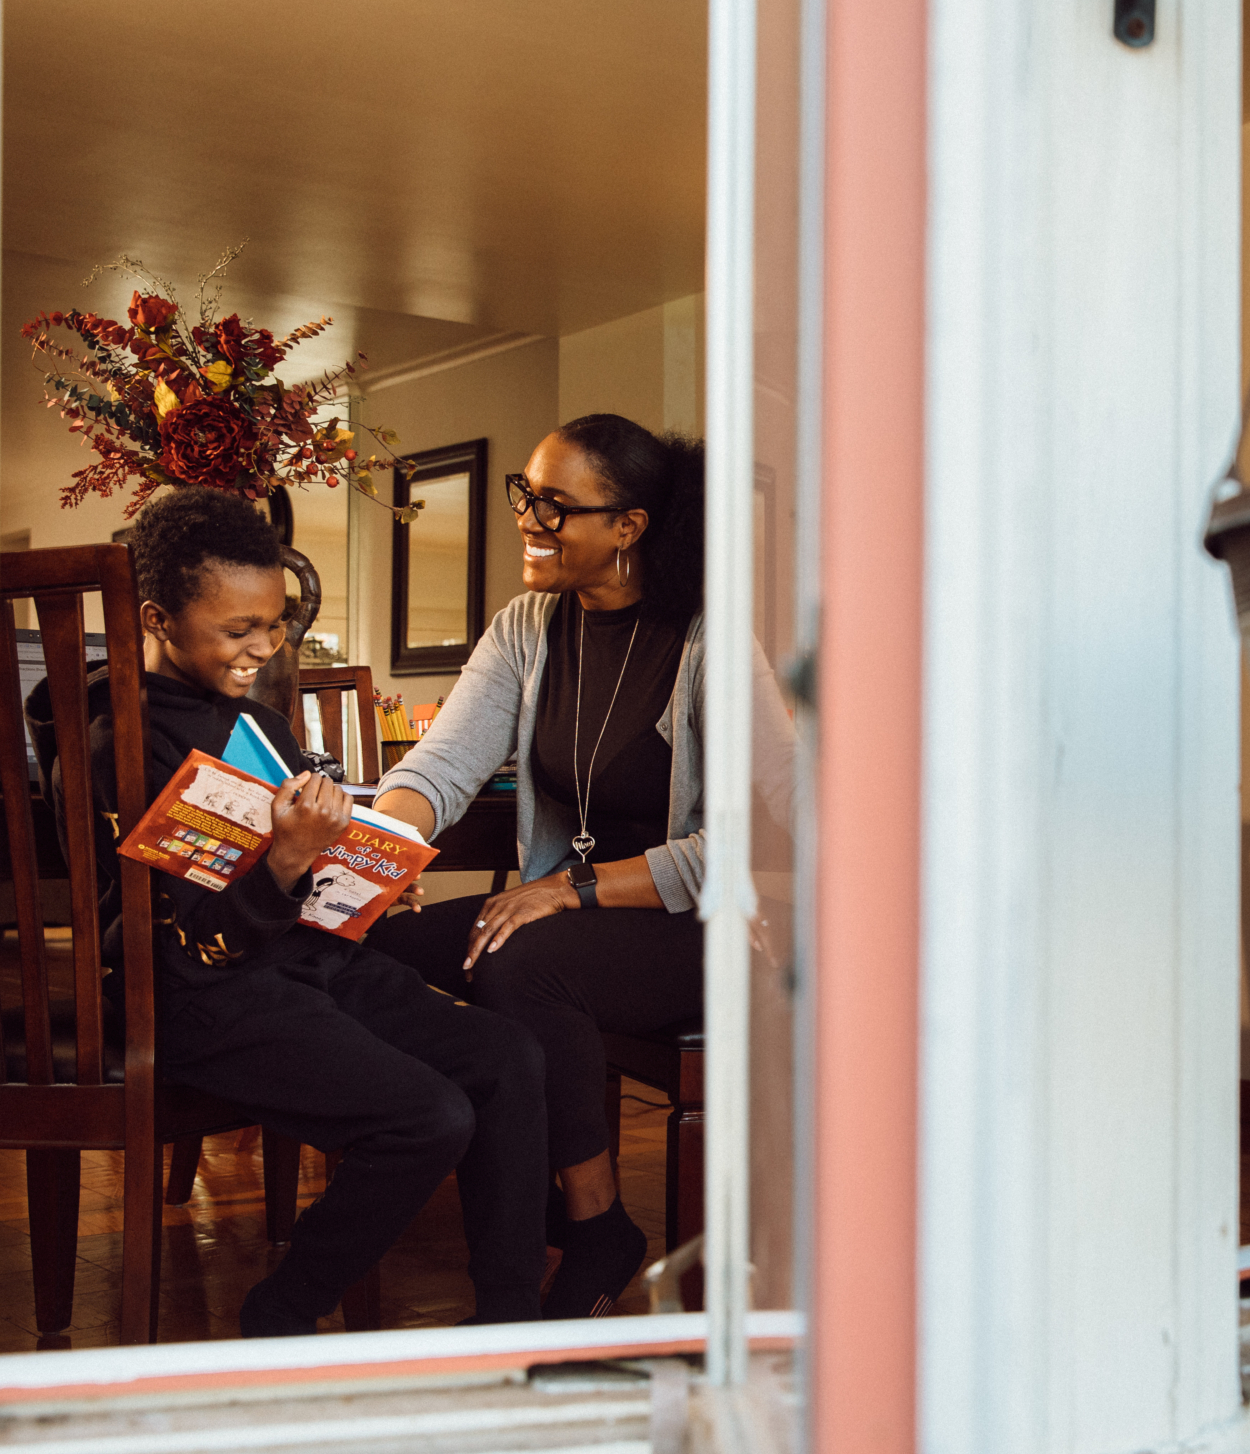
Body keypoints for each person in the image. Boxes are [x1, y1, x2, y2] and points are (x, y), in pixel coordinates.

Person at [62, 487, 551, 1336]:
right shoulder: (126, 740)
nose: (264, 646)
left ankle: (510, 1319)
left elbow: (304, 883)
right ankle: (282, 1311)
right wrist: (288, 860)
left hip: (308, 964)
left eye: (274, 623)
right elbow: (198, 941)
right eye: (237, 629)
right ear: (158, 620)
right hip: (202, 994)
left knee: (506, 1055)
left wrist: (364, 875)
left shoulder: (259, 723)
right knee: (426, 1118)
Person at [368, 412, 794, 1318]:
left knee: (520, 963)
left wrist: (569, 888)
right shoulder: (527, 627)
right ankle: (513, 1229)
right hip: (571, 921)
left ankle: (594, 1224)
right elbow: (440, 768)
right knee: (379, 948)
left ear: (628, 526)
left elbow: (758, 838)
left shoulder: (710, 642)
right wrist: (374, 852)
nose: (529, 519)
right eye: (525, 495)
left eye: (555, 505)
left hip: (696, 927)